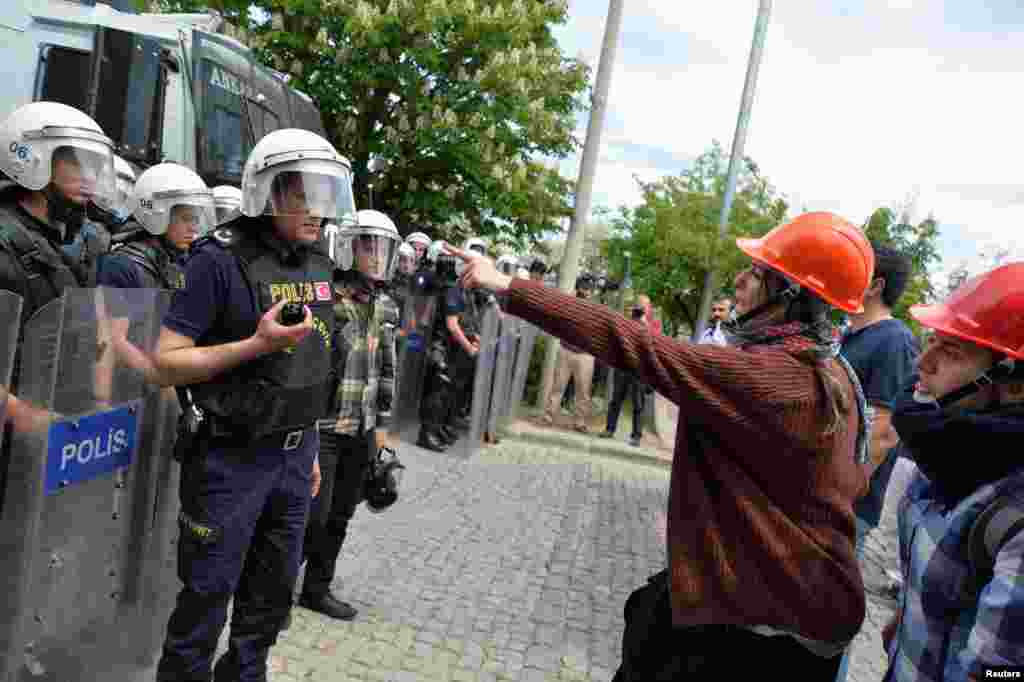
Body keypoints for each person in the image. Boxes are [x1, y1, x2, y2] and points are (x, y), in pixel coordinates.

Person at [452, 211, 874, 679]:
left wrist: (509, 286)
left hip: (764, 632)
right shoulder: (826, 369)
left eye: (755, 274)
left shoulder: (776, 378)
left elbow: (636, 345)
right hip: (772, 609)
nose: (738, 281)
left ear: (789, 297)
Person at [152, 127, 352, 681]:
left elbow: (311, 366)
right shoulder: (218, 260)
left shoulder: (318, 265)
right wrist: (255, 344)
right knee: (204, 606)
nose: (317, 209)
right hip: (230, 459)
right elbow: (165, 362)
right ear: (268, 192)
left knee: (267, 609)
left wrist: (307, 450)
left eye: (325, 193)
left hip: (293, 460)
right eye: (302, 193)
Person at [880, 262, 1024, 682]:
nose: (923, 361)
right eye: (933, 341)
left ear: (1014, 383)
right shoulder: (950, 447)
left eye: (952, 351)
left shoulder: (1013, 511)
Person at [296, 208, 401, 622]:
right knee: (311, 515)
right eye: (368, 246)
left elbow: (388, 371)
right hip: (324, 426)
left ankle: (316, 590)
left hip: (361, 429)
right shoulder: (326, 297)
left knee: (340, 516)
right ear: (348, 248)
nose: (376, 256)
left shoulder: (388, 306)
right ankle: (271, 589)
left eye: (383, 249)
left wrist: (382, 432)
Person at [833, 242, 918, 682]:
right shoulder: (850, 334)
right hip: (827, 495)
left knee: (827, 617)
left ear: (876, 284)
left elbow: (882, 432)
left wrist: (843, 492)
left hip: (847, 505)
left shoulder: (893, 339)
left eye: (854, 268)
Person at [0, 101, 117, 322]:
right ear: (31, 159)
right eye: (77, 163)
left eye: (95, 166)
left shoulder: (81, 239)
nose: (91, 177)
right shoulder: (6, 247)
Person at [98, 162, 214, 290]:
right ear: (156, 214)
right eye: (186, 218)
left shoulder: (183, 264)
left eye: (196, 220)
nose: (194, 228)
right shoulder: (121, 266)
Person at [539, 274, 597, 433]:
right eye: (584, 288)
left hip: (585, 354)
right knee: (558, 385)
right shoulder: (569, 302)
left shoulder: (593, 307)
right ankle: (549, 415)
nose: (586, 291)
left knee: (583, 390)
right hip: (566, 349)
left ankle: (580, 421)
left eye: (589, 289)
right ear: (578, 288)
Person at [601, 294, 657, 446]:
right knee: (616, 399)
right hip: (623, 366)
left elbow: (654, 344)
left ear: (648, 308)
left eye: (644, 306)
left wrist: (645, 323)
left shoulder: (653, 324)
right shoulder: (627, 319)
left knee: (638, 403)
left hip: (640, 370)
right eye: (639, 305)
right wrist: (629, 318)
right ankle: (609, 429)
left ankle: (636, 436)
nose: (641, 308)